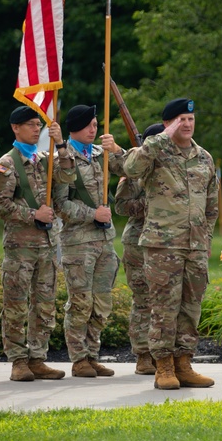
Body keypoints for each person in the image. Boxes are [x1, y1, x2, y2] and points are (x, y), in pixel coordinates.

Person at [123, 99, 219, 390]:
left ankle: (184, 363)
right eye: (180, 119)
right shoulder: (154, 152)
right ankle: (163, 365)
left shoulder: (204, 157)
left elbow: (211, 205)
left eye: (191, 118)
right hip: (162, 245)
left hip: (195, 245)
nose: (187, 124)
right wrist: (160, 138)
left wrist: (207, 239)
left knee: (191, 307)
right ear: (167, 124)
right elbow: (129, 167)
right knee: (164, 307)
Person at [0, 105, 76, 382]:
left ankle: (38, 358)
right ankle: (18, 360)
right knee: (15, 304)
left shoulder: (44, 159)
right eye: (29, 124)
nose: (36, 129)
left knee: (44, 304)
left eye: (37, 124)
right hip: (21, 246)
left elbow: (68, 176)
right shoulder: (7, 163)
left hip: (47, 245)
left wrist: (61, 144)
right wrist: (33, 214)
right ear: (15, 128)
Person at [53, 104, 127, 378]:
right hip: (78, 242)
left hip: (104, 240)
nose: (94, 129)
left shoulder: (100, 154)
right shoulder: (64, 157)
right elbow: (60, 204)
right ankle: (79, 358)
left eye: (96, 124)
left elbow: (130, 168)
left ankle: (93, 354)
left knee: (102, 302)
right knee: (81, 302)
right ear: (75, 128)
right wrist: (91, 213)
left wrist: (117, 149)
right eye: (88, 125)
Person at [111, 122, 164, 376]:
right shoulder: (133, 170)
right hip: (137, 241)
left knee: (165, 301)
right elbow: (121, 206)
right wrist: (152, 204)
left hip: (165, 241)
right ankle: (143, 354)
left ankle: (163, 352)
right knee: (143, 299)